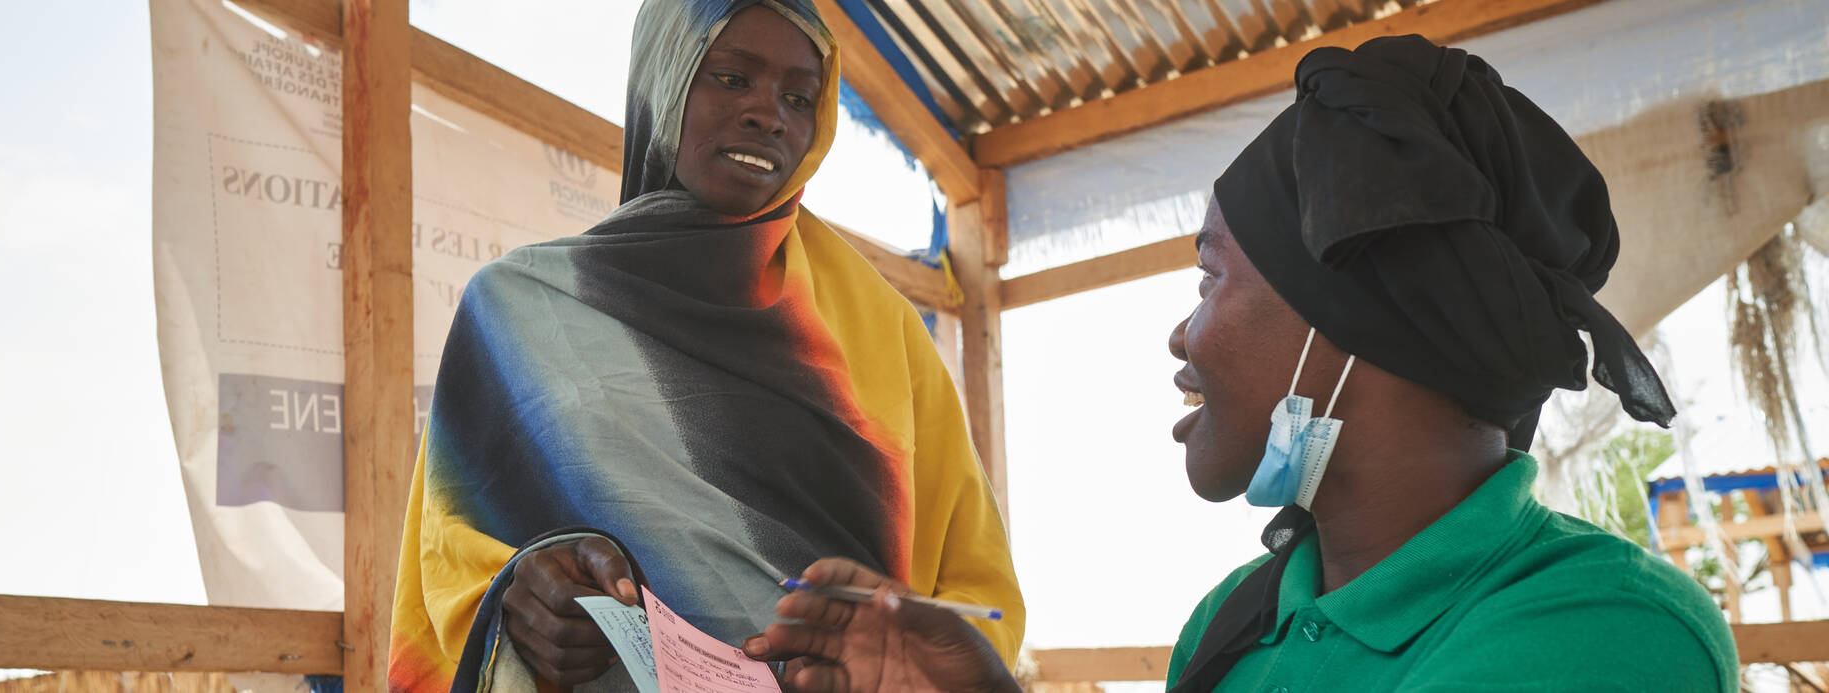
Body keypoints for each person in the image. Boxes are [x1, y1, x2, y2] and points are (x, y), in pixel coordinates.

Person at [739, 35, 1739, 692]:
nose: (1182, 336)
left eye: (1210, 277)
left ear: (1339, 328)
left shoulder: (1602, 635)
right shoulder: (1234, 622)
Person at [384, 2, 1023, 692]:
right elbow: (449, 567)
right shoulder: (516, 312)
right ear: (664, 77)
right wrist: (521, 597)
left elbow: (976, 587)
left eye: (799, 97)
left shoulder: (883, 330)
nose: (768, 115)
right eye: (731, 78)